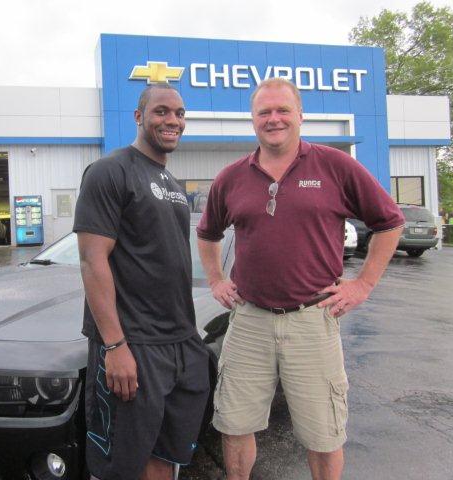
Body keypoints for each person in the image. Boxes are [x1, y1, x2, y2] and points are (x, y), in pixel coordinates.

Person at [196, 78, 404, 480]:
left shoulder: (335, 166)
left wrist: (362, 284)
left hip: (312, 320)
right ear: (253, 120)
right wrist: (216, 279)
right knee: (235, 425)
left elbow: (389, 222)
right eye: (264, 112)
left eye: (282, 110)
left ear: (300, 116)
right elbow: (207, 233)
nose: (273, 119)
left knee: (324, 435)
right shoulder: (232, 177)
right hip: (249, 321)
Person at [74, 84, 210, 480]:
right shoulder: (110, 171)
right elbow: (91, 259)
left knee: (167, 455)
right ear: (139, 117)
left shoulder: (171, 184)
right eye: (162, 112)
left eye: (180, 114)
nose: (172, 121)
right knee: (121, 464)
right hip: (134, 344)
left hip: (179, 342)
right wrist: (115, 346)